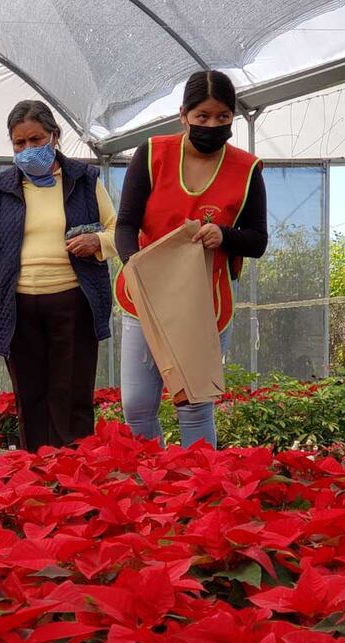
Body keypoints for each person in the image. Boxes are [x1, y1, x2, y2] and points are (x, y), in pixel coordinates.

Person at [114, 70, 268, 448]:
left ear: (232, 116)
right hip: (146, 298)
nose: (212, 125)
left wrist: (224, 235)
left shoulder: (247, 169)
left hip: (207, 303)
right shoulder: (152, 154)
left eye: (222, 117)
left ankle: (198, 481)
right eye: (202, 116)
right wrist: (135, 269)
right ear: (183, 115)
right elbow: (126, 225)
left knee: (195, 405)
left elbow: (258, 240)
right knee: (137, 405)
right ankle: (149, 476)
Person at [0, 100, 118, 452]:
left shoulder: (84, 181)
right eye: (19, 143)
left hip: (73, 303)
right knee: (30, 395)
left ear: (54, 136)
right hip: (17, 308)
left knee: (72, 393)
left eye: (35, 140)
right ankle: (35, 469)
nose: (28, 149)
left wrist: (97, 242)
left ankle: (73, 469)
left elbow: (118, 230)